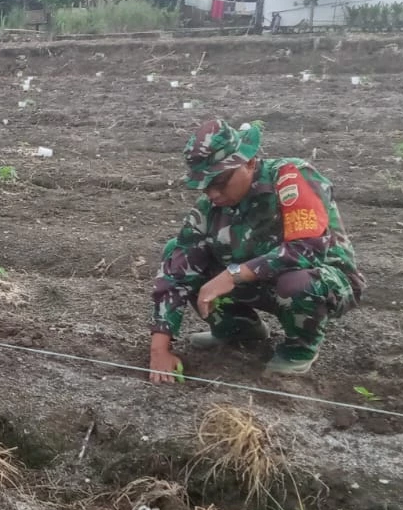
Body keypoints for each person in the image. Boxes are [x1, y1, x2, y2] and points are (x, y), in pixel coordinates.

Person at [149, 119, 364, 382]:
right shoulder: (210, 208)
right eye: (205, 185)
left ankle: (299, 349)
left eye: (220, 181)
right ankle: (239, 329)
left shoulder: (290, 177)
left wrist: (232, 275)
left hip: (322, 281)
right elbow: (177, 270)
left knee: (296, 282)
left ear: (249, 162)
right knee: (180, 252)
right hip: (258, 282)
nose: (213, 193)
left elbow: (307, 248)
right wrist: (160, 349)